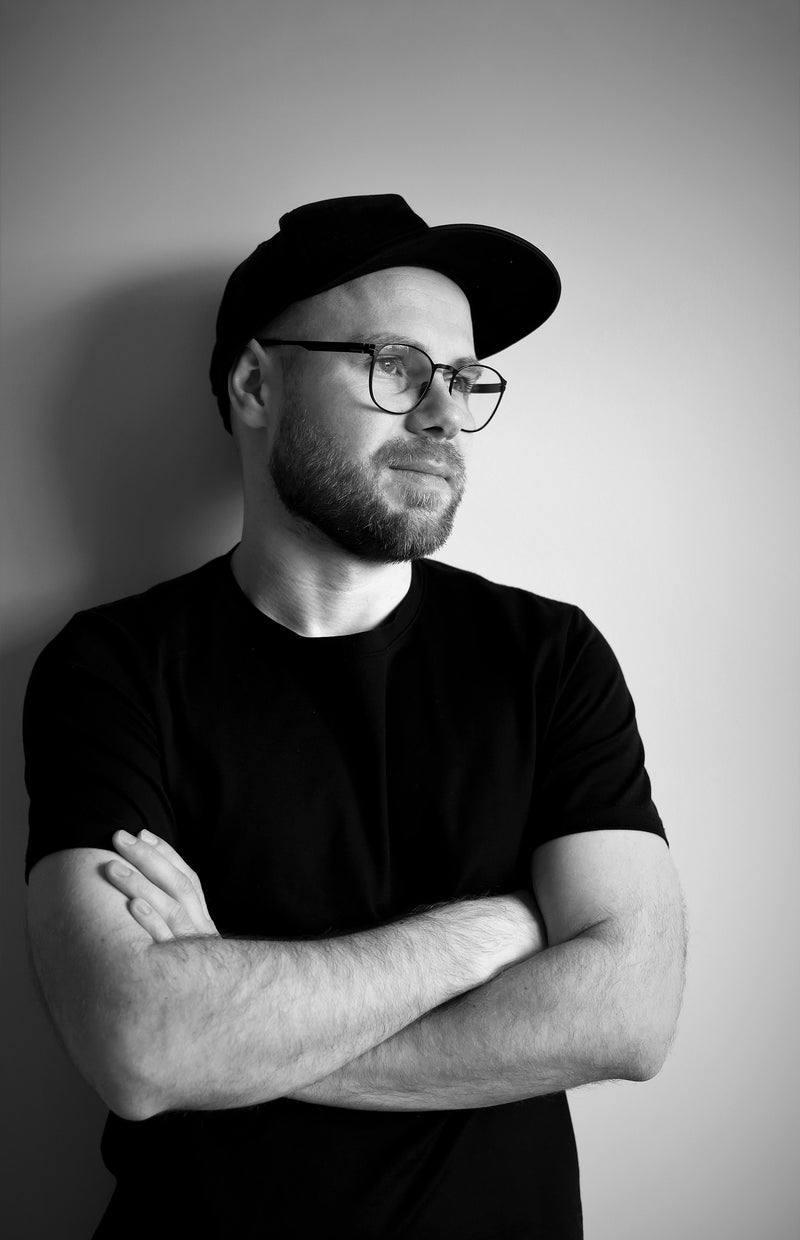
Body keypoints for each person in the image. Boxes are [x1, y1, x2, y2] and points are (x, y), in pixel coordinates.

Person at [24, 193, 686, 1239]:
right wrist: (495, 929)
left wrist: (234, 1033)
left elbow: (632, 1013)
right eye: (395, 366)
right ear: (255, 384)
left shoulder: (547, 657)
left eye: (463, 378)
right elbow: (141, 1044)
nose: (443, 414)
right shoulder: (111, 668)